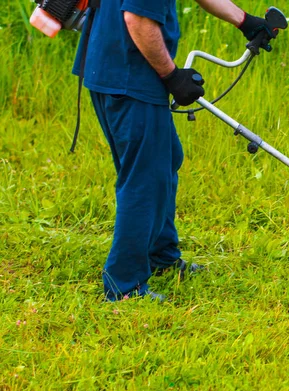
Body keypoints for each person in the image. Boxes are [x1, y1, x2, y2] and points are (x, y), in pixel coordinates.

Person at [73, 0, 271, 302]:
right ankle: (124, 286)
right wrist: (171, 75)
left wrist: (244, 20)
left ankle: (160, 256)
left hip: (113, 67)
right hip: (129, 77)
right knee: (145, 180)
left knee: (165, 160)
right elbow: (138, 20)